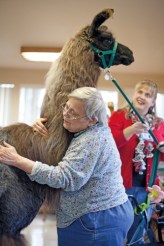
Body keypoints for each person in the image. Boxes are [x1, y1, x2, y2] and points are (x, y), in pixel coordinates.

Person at [0, 87, 134, 246]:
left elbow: (63, 178)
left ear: (93, 119)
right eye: (66, 107)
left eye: (74, 113)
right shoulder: (89, 130)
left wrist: (17, 160)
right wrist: (40, 126)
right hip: (93, 217)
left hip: (97, 219)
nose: (66, 114)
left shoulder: (91, 141)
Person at [108, 80, 164, 244]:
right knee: (118, 229)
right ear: (134, 94)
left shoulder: (159, 124)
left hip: (147, 187)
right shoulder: (119, 116)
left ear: (153, 102)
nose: (142, 97)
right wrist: (131, 130)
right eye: (140, 92)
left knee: (138, 231)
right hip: (120, 185)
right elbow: (110, 144)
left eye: (148, 95)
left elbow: (160, 156)